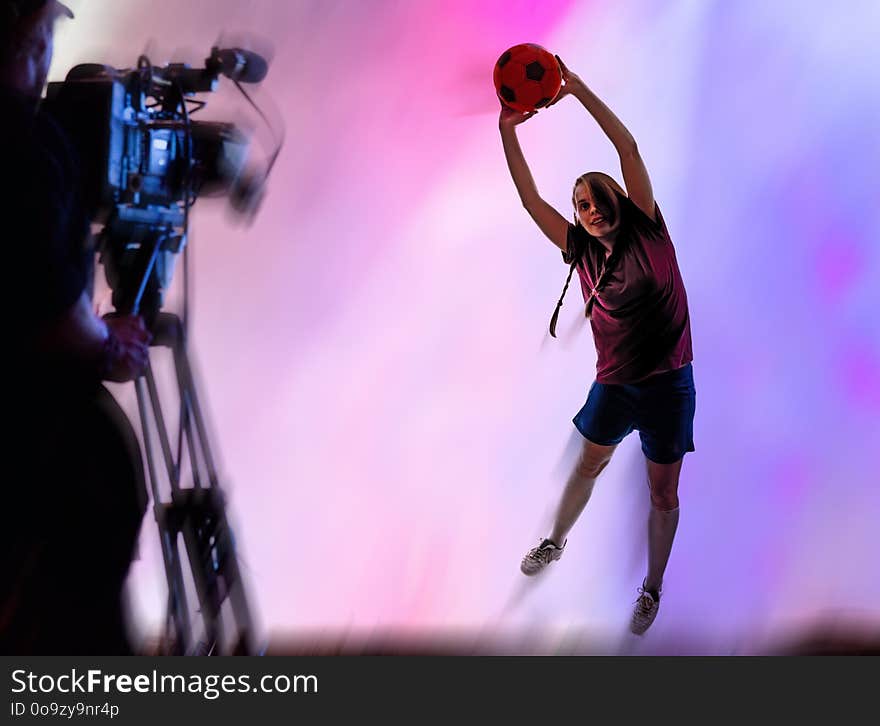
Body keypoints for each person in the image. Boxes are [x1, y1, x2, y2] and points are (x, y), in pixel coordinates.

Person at [499, 56, 695, 635]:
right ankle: (554, 542)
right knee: (588, 460)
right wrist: (508, 132)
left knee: (663, 491)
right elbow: (532, 200)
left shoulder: (648, 227)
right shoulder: (579, 251)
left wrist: (579, 88)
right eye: (580, 203)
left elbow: (628, 148)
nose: (587, 208)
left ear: (618, 199)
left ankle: (652, 588)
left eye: (595, 197)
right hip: (614, 384)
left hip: (668, 385)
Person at [1, 0, 152, 653]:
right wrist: (110, 342)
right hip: (32, 433)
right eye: (36, 44)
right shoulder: (21, 149)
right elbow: (54, 313)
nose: (43, 63)